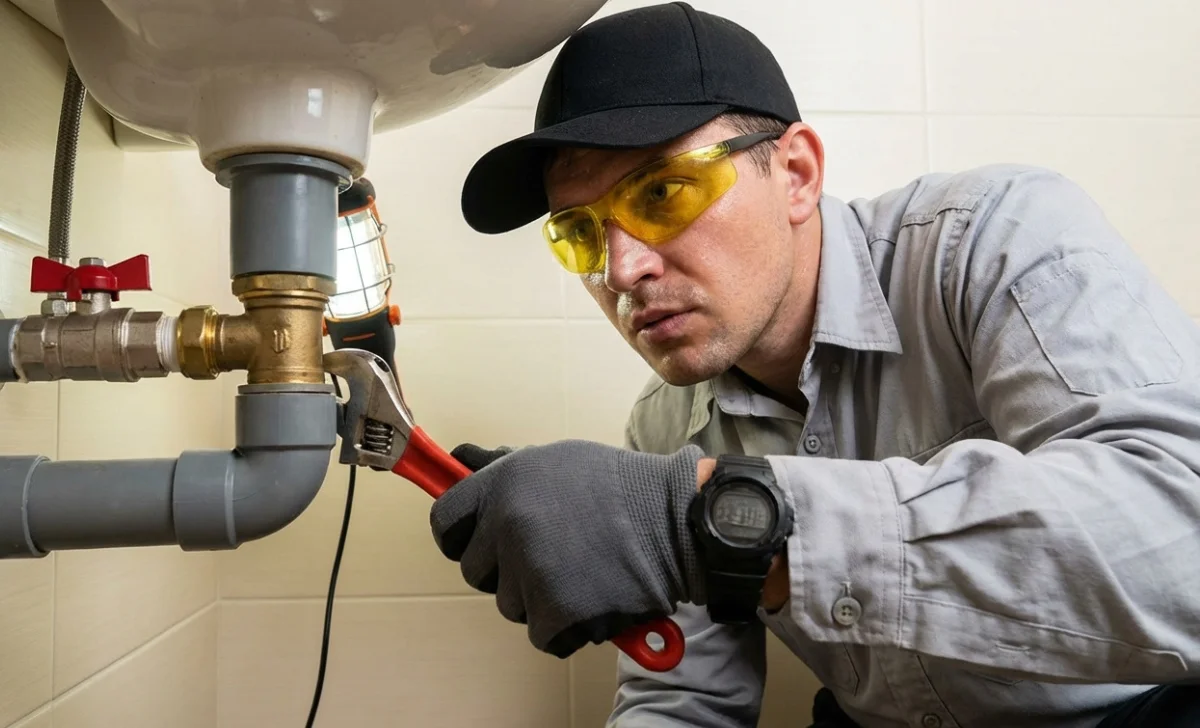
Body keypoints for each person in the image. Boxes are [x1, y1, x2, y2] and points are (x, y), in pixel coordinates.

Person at [428, 3, 1200, 726]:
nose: (621, 270)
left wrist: (712, 522)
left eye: (662, 192)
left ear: (795, 174)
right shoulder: (664, 427)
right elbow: (688, 699)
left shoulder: (994, 242)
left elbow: (1180, 546)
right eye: (581, 234)